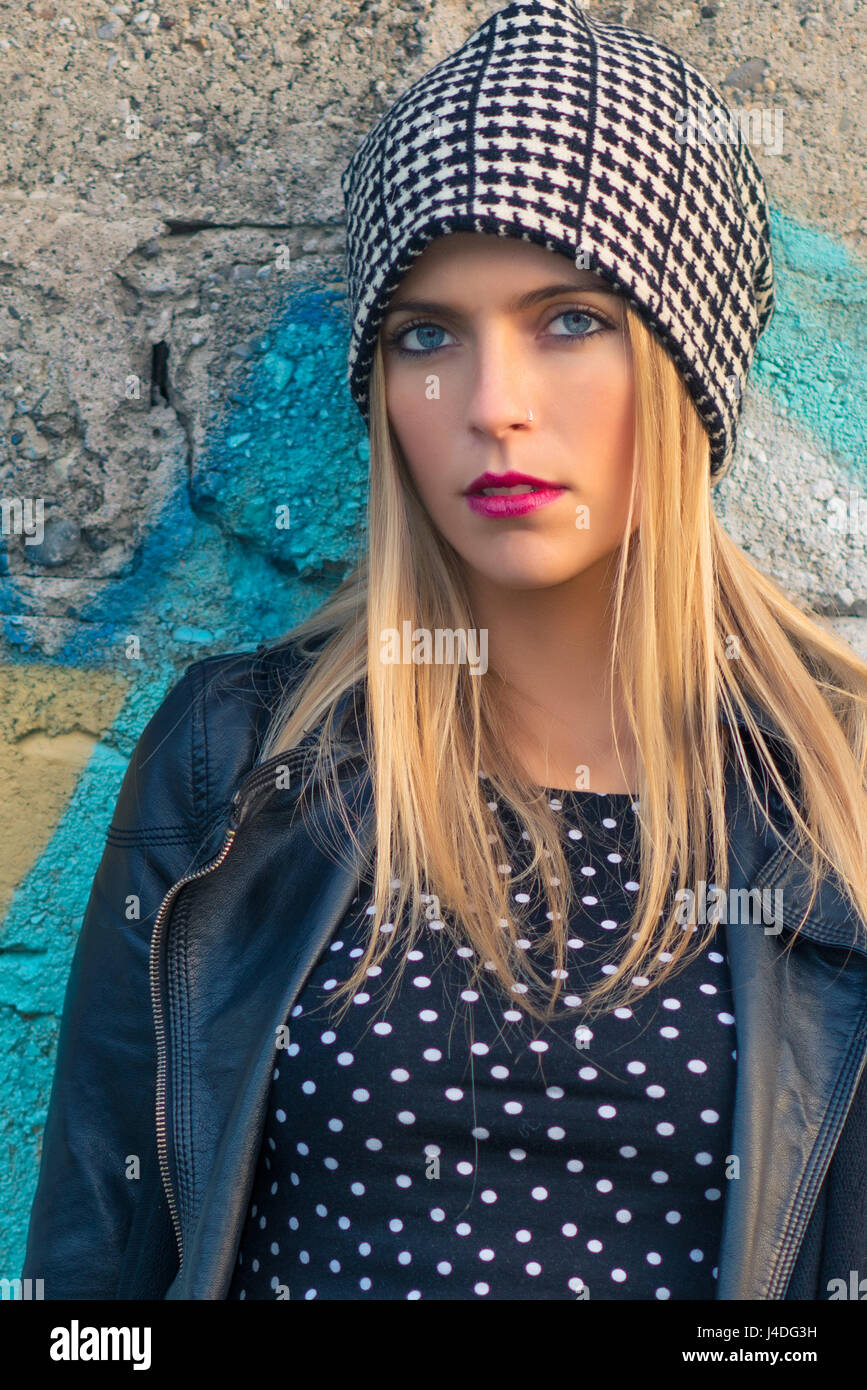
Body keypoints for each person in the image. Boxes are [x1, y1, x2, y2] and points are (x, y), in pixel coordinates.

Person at [21, 0, 867, 1302]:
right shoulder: (239, 764)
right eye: (428, 335)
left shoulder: (841, 791)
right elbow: (95, 1282)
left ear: (686, 357)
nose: (493, 405)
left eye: (572, 318)